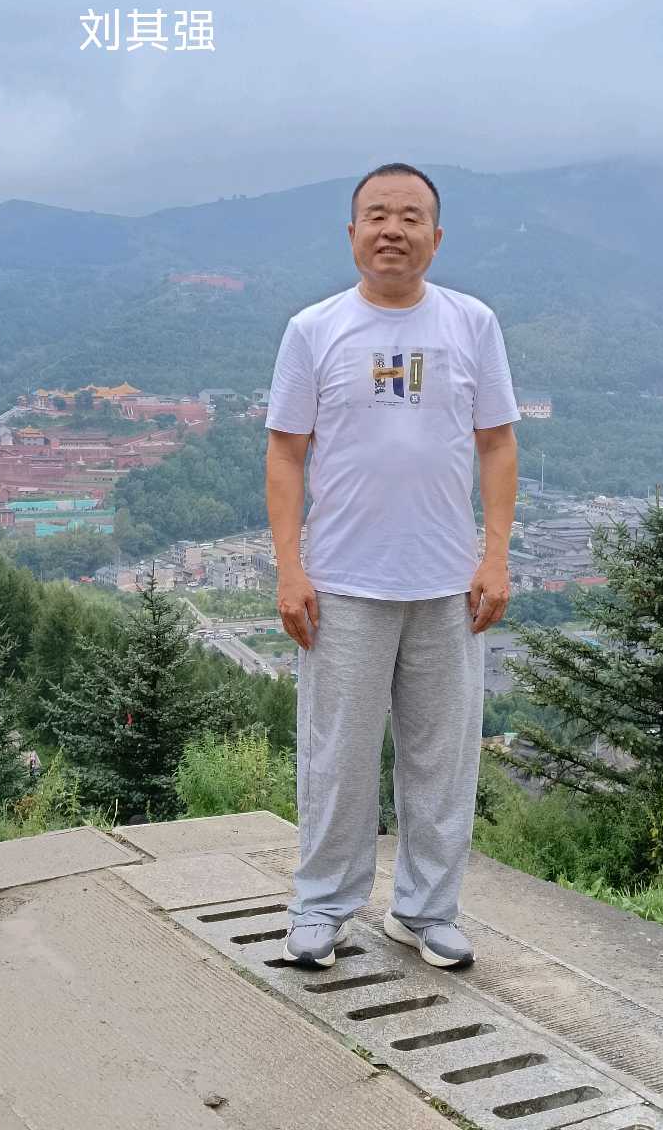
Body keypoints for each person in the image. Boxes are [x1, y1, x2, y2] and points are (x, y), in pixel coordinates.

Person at [265, 162, 520, 970]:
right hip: (342, 582)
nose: (393, 230)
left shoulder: (472, 323)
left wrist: (495, 556)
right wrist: (289, 568)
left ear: (436, 237)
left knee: (443, 759)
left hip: (447, 583)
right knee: (336, 756)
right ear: (352, 233)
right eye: (377, 215)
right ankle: (322, 907)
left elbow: (497, 443)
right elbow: (285, 452)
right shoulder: (314, 329)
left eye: (411, 217)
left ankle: (426, 911)